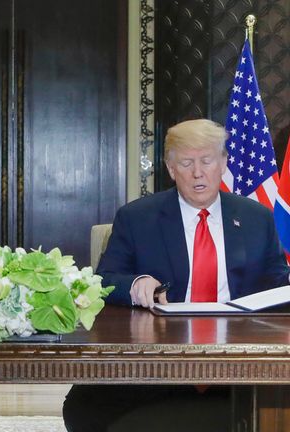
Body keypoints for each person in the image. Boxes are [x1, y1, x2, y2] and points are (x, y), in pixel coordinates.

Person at [62, 119, 290, 431]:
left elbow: (279, 281)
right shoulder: (137, 217)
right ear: (171, 169)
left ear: (223, 164)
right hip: (161, 359)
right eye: (187, 162)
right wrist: (135, 283)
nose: (198, 172)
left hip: (238, 361)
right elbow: (103, 280)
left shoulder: (256, 218)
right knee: (84, 407)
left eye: (207, 161)